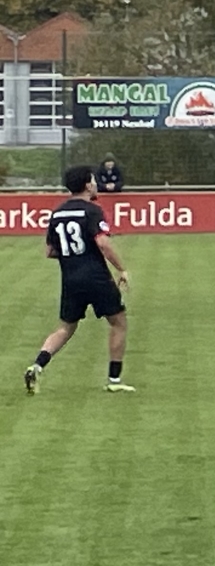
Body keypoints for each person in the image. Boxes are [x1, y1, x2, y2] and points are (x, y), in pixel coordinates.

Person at [24, 165, 135, 395]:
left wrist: (72, 256)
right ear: (87, 185)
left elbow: (50, 251)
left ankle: (37, 365)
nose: (95, 184)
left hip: (70, 278)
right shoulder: (92, 211)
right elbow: (103, 243)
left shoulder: (57, 214)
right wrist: (122, 269)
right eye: (93, 180)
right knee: (118, 322)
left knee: (65, 327)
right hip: (96, 276)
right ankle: (114, 380)